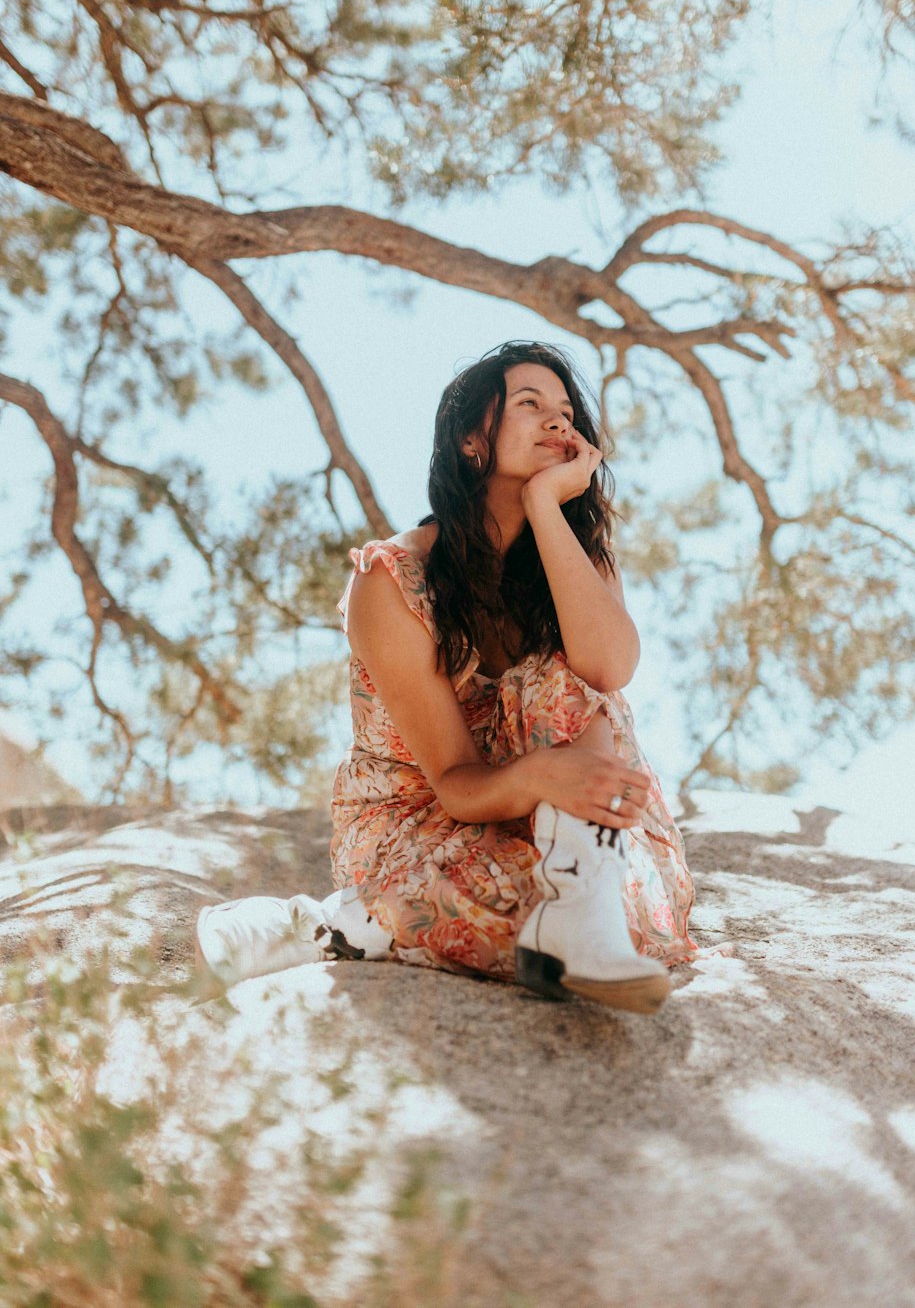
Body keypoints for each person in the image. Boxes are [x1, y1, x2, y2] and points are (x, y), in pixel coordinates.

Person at [196, 340, 708, 1013]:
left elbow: (608, 668)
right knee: (530, 905)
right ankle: (332, 924)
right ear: (472, 441)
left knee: (626, 906)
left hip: (566, 831)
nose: (558, 421)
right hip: (428, 823)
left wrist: (548, 507)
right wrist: (539, 775)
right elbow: (457, 785)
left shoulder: (581, 558)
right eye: (530, 404)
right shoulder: (391, 580)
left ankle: (581, 916)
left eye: (565, 411)